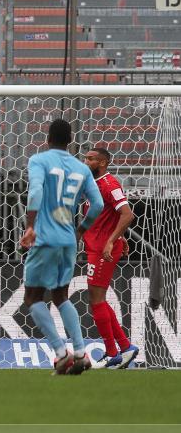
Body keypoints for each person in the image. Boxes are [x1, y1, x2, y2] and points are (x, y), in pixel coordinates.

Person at [20, 120, 103, 375]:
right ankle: (80, 352)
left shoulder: (39, 161)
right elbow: (97, 204)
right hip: (68, 239)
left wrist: (30, 225)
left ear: (48, 138)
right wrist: (79, 231)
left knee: (32, 297)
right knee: (60, 296)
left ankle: (60, 352)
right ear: (70, 141)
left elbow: (35, 191)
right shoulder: (82, 168)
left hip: (45, 237)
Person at [82, 147, 139, 369]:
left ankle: (113, 352)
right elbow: (111, 215)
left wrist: (111, 240)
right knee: (98, 299)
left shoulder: (108, 184)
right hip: (97, 247)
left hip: (102, 249)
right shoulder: (95, 184)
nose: (86, 162)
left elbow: (127, 213)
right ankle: (124, 348)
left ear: (103, 163)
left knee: (96, 300)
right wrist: (120, 237)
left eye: (91, 159)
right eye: (86, 158)